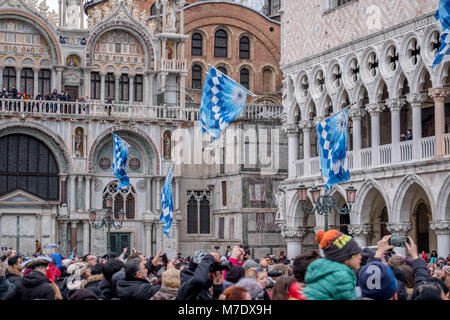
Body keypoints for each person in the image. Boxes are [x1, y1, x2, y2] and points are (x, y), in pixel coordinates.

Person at [303, 229, 362, 300]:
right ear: (345, 258)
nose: (360, 256)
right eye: (355, 253)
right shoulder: (341, 276)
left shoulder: (327, 272)